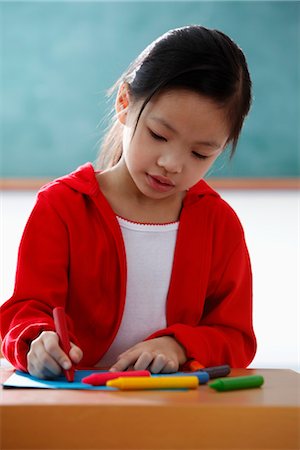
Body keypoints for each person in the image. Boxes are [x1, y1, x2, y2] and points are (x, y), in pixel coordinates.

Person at [0, 25, 256, 379]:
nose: (172, 164)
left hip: (176, 413)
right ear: (124, 103)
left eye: (201, 153)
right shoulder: (62, 207)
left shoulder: (219, 224)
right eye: (158, 135)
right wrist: (35, 341)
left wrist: (179, 345)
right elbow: (24, 311)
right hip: (74, 410)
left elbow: (236, 338)